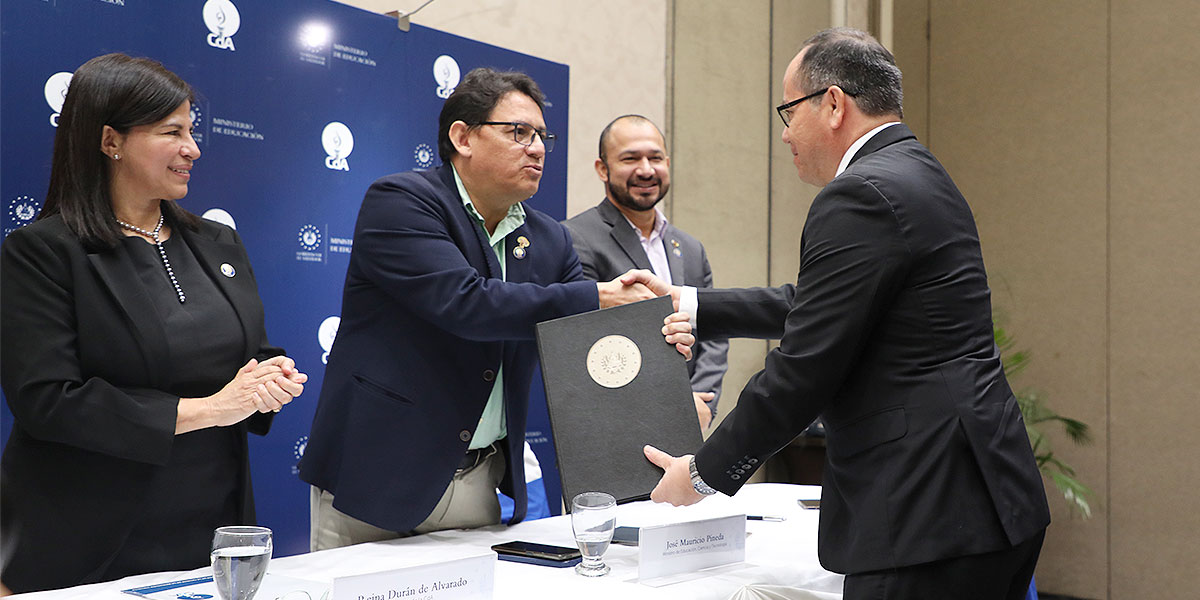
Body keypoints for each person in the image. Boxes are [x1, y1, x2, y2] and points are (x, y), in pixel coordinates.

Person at [638, 29, 1050, 600]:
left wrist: (703, 475)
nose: (784, 134)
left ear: (832, 105)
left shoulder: (861, 193)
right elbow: (825, 306)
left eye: (788, 111)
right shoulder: (917, 172)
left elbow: (803, 368)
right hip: (984, 496)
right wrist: (688, 301)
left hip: (923, 514)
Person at [298, 68, 693, 550]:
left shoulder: (549, 237)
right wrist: (600, 295)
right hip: (379, 475)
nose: (538, 148)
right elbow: (466, 303)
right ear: (462, 137)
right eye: (518, 132)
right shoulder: (401, 202)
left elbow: (591, 338)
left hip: (479, 478)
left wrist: (659, 352)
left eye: (542, 136)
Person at [0, 53, 307, 593]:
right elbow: (48, 401)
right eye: (173, 131)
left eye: (192, 130)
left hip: (210, 529)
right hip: (89, 535)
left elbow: (248, 354)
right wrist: (210, 409)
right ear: (110, 141)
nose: (193, 148)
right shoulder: (43, 252)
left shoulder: (218, 242)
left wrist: (267, 380)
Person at [562, 115, 729, 430]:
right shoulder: (573, 239)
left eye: (655, 158)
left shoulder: (691, 248)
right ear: (602, 168)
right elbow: (583, 343)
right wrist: (672, 402)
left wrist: (699, 401)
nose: (646, 170)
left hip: (690, 424)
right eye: (630, 158)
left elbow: (713, 334)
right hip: (611, 426)